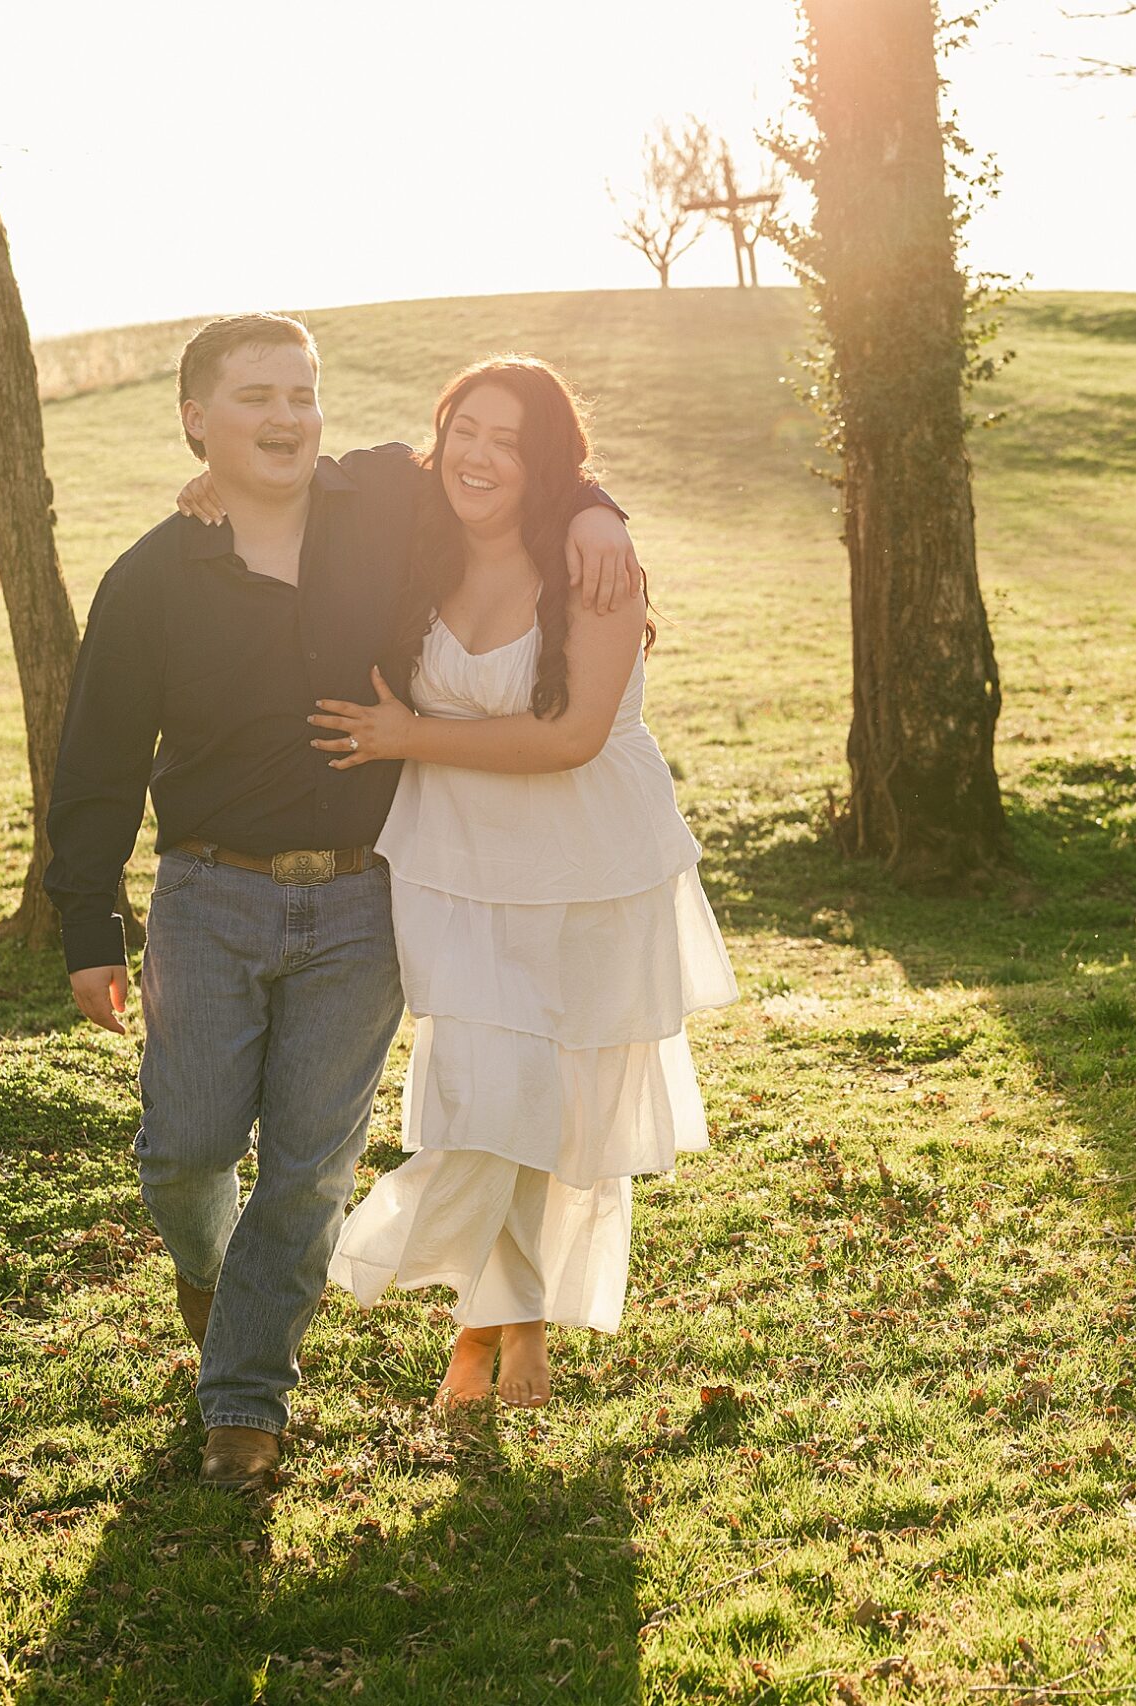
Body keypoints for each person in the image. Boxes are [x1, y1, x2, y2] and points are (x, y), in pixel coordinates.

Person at [43, 314, 643, 1491]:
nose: (285, 417)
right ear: (194, 419)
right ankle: (215, 1280)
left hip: (363, 902)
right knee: (186, 1152)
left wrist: (594, 510)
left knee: (311, 1168)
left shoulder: (378, 509)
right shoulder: (150, 576)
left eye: (302, 395)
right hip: (205, 896)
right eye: (254, 397)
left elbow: (513, 460)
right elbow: (99, 764)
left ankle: (245, 1403)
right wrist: (85, 928)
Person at [294, 356, 733, 1410]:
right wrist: (211, 485)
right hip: (455, 860)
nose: (481, 457)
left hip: (585, 863)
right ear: (438, 438)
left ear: (551, 466)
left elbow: (575, 733)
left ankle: (497, 1326)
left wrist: (410, 732)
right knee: (480, 1094)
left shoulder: (592, 566)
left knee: (551, 1105)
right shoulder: (419, 541)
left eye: (511, 441)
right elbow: (323, 476)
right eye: (466, 431)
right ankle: (489, 1314)